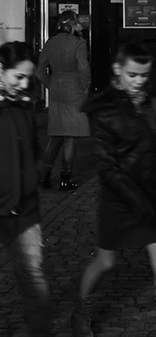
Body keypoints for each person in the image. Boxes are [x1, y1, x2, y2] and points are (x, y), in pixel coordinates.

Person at [72, 43, 156, 337]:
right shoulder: (103, 110)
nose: (138, 81)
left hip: (150, 193)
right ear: (117, 70)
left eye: (144, 75)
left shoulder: (152, 101)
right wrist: (138, 202)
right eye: (133, 75)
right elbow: (107, 168)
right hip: (119, 198)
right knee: (105, 261)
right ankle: (81, 310)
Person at [0, 41, 53, 336]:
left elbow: (34, 149)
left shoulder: (23, 105)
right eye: (18, 76)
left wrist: (34, 175)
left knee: (33, 277)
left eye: (28, 78)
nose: (23, 84)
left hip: (24, 209)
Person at [36, 10, 91, 191]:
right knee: (71, 136)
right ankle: (65, 178)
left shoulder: (50, 43)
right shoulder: (78, 43)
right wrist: (85, 87)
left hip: (57, 90)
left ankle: (44, 176)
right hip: (74, 89)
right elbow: (83, 68)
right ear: (73, 24)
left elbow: (39, 72)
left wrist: (51, 84)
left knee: (56, 135)